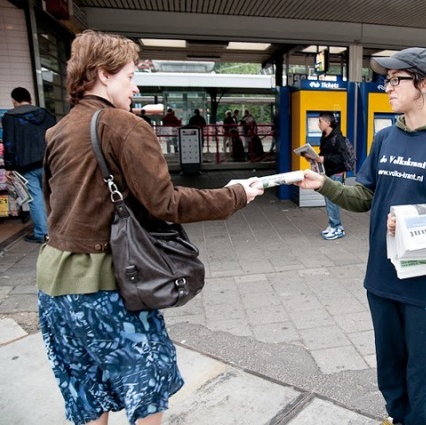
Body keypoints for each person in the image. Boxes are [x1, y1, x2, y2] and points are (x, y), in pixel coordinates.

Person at [38, 29, 263, 425]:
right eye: (128, 75)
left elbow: (52, 203)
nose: (135, 86)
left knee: (87, 392)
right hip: (105, 285)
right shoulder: (123, 126)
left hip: (53, 285)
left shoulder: (57, 131)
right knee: (147, 386)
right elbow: (166, 203)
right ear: (102, 74)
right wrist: (234, 195)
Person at [295, 47, 426, 425]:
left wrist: (417, 222)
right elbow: (364, 197)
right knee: (390, 375)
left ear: (425, 84)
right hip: (382, 279)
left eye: (396, 79)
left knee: (421, 378)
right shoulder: (385, 140)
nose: (387, 87)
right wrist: (323, 185)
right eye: (386, 79)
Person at [1, 86, 56, 243]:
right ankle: (58, 228)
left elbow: (9, 144)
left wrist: (9, 167)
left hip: (26, 165)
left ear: (14, 101)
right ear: (30, 99)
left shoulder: (9, 118)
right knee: (51, 195)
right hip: (48, 161)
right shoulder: (44, 114)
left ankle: (42, 233)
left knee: (35, 198)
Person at [316, 111, 349, 240]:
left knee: (332, 201)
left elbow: (342, 157)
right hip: (327, 172)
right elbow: (323, 154)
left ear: (328, 123)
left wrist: (324, 159)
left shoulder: (338, 138)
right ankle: (332, 225)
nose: (318, 124)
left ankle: (338, 227)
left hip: (336, 172)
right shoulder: (324, 137)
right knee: (328, 200)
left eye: (320, 121)